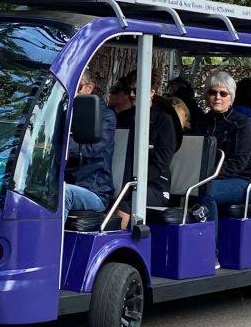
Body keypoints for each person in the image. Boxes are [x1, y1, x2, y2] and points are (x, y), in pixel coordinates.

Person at [196, 71, 251, 268]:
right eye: (213, 92)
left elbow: (239, 162)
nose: (217, 97)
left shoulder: (241, 123)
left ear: (231, 97)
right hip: (208, 179)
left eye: (223, 93)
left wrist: (209, 178)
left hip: (244, 182)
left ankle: (209, 254)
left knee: (207, 192)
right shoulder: (201, 123)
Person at [115, 71, 178, 229]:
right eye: (129, 90)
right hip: (125, 183)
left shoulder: (164, 121)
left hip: (155, 187)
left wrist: (132, 183)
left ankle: (114, 248)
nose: (131, 94)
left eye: (136, 90)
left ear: (152, 92)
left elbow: (161, 163)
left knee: (124, 204)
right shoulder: (124, 119)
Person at [64, 68, 116, 220]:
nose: (71, 91)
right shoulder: (62, 113)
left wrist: (58, 148)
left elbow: (91, 148)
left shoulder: (105, 117)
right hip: (60, 182)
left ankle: (50, 243)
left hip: (93, 190)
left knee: (61, 195)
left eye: (77, 86)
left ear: (89, 87)